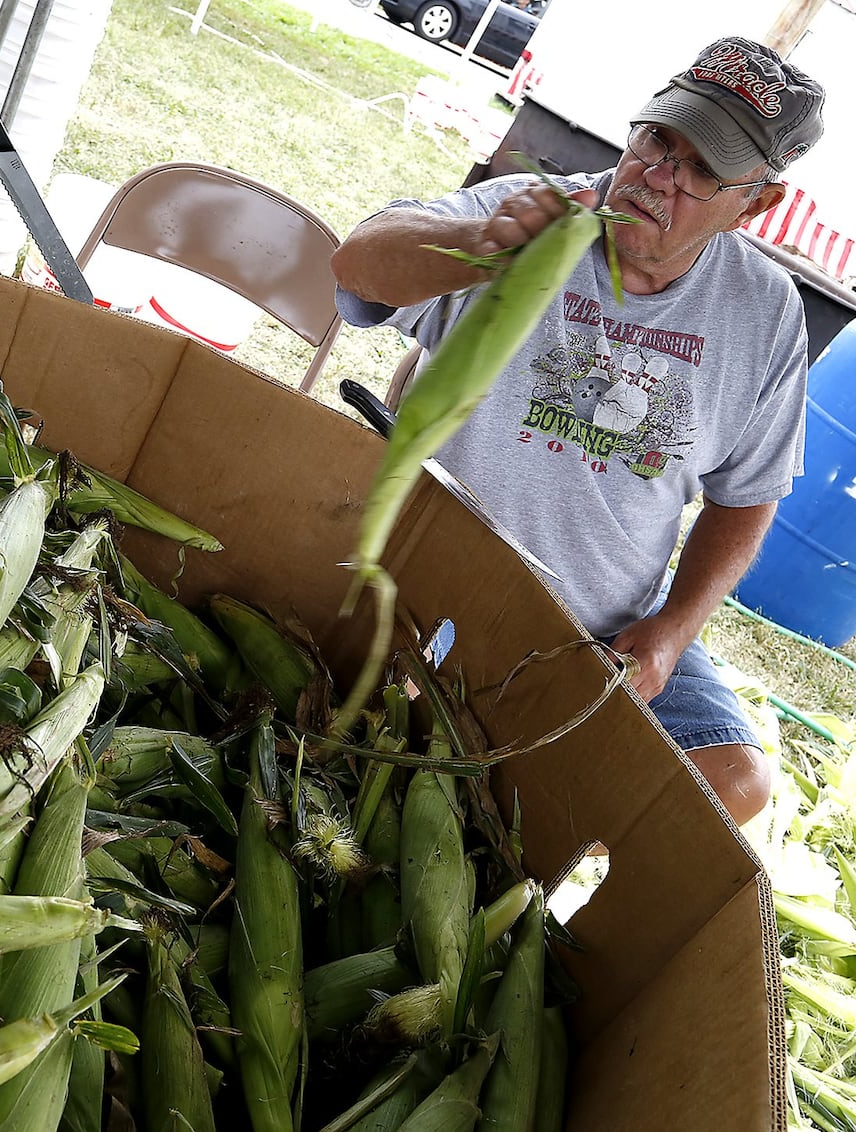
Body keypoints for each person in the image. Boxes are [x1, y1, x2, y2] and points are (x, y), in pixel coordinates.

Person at [331, 37, 827, 827]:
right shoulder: (536, 214)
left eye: (701, 169)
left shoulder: (763, 316)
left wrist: (669, 631)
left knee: (732, 787)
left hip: (601, 619)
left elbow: (747, 499)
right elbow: (356, 263)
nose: (658, 176)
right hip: (436, 563)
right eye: (660, 138)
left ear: (756, 203)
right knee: (392, 723)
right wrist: (478, 248)